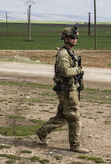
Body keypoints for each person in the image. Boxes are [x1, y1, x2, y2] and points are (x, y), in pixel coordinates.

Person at [35, 25, 89, 153]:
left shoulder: (70, 52)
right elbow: (65, 71)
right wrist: (78, 70)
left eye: (76, 37)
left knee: (63, 116)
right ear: (65, 38)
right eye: (72, 37)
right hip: (67, 91)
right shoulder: (63, 54)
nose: (75, 39)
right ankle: (75, 145)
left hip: (70, 89)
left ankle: (42, 132)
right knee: (74, 117)